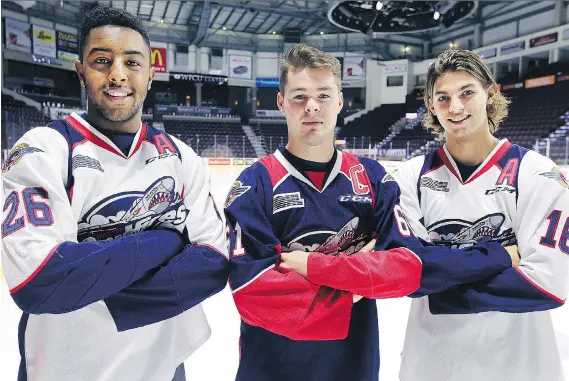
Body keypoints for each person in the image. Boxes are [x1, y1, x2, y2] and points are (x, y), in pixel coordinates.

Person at [223, 43, 519, 381]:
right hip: (271, 367)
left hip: (354, 366)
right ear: (281, 103)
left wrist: (317, 269)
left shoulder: (373, 180)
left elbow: (408, 267)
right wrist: (362, 280)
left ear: (340, 102)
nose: (312, 107)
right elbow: (255, 292)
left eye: (323, 94)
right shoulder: (253, 185)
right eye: (299, 96)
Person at [1, 7, 228, 381]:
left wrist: (88, 291)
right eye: (102, 61)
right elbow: (41, 280)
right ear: (80, 71)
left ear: (150, 75)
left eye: (132, 62)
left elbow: (213, 264)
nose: (117, 74)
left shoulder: (181, 157)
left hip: (163, 368)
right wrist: (166, 240)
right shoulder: (45, 149)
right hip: (64, 370)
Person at [393, 49, 569, 381]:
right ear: (430, 105)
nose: (455, 107)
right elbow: (408, 275)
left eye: (467, 92)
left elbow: (547, 284)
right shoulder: (408, 178)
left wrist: (442, 284)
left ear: (490, 93)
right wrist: (505, 255)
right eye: (442, 97)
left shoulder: (539, 173)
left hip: (521, 364)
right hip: (433, 363)